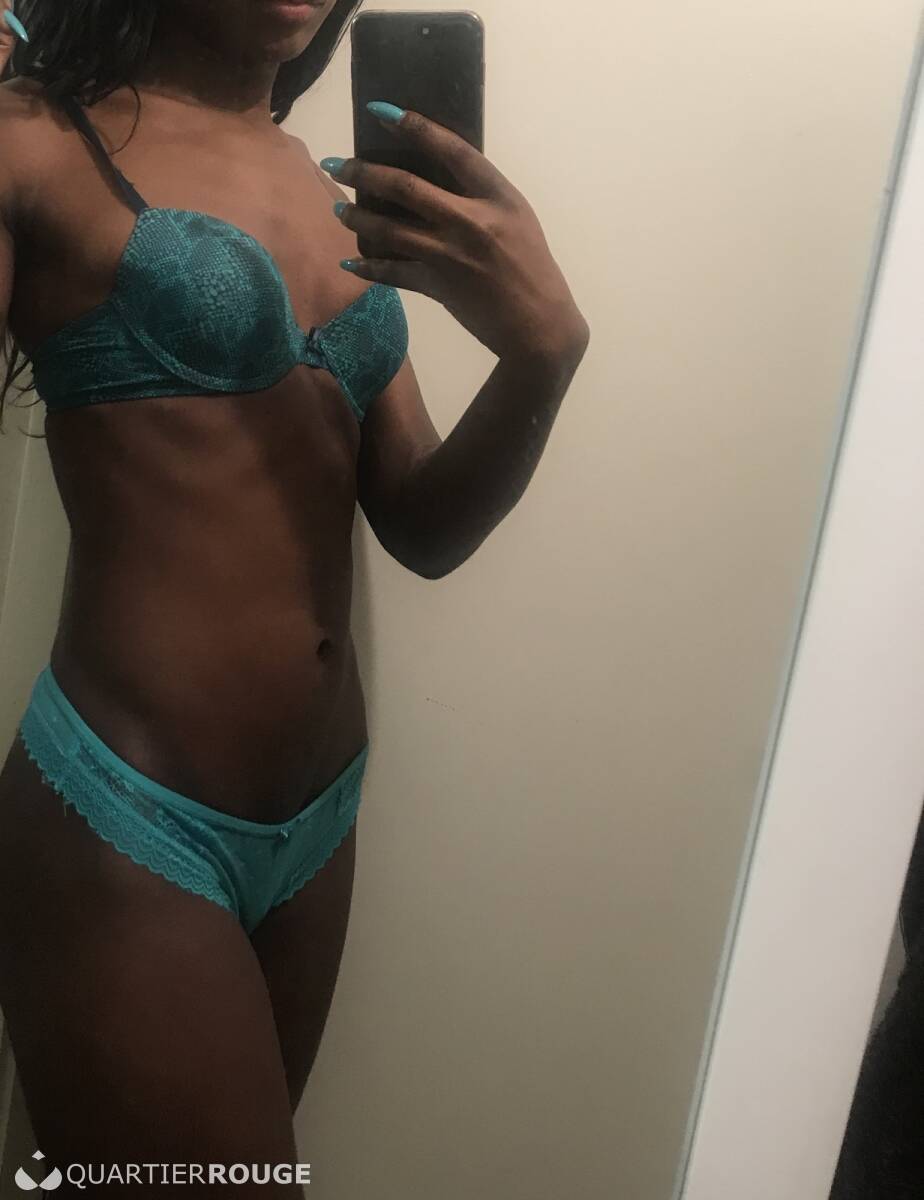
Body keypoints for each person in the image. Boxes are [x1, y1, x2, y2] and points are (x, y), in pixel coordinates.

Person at [0, 0, 590, 1189]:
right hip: (126, 816)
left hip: (318, 826)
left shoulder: (337, 187)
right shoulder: (35, 137)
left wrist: (542, 359)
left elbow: (422, 524)